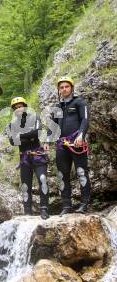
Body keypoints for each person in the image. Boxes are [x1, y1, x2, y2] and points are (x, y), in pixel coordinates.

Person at [45, 76, 90, 215]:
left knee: (81, 173)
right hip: (62, 145)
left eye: (66, 86)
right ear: (59, 90)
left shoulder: (79, 102)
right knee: (61, 175)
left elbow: (85, 119)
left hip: (77, 143)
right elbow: (53, 126)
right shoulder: (57, 107)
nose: (64, 89)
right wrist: (47, 141)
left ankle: (84, 204)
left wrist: (81, 135)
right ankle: (66, 205)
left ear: (71, 88)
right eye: (61, 87)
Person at [8, 97, 49, 219]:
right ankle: (27, 211)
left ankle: (44, 209)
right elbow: (12, 141)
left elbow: (37, 133)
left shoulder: (34, 117)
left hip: (38, 155)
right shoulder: (12, 124)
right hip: (24, 157)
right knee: (25, 185)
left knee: (42, 179)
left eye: (20, 106)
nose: (18, 109)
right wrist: (28, 136)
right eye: (15, 108)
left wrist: (20, 135)